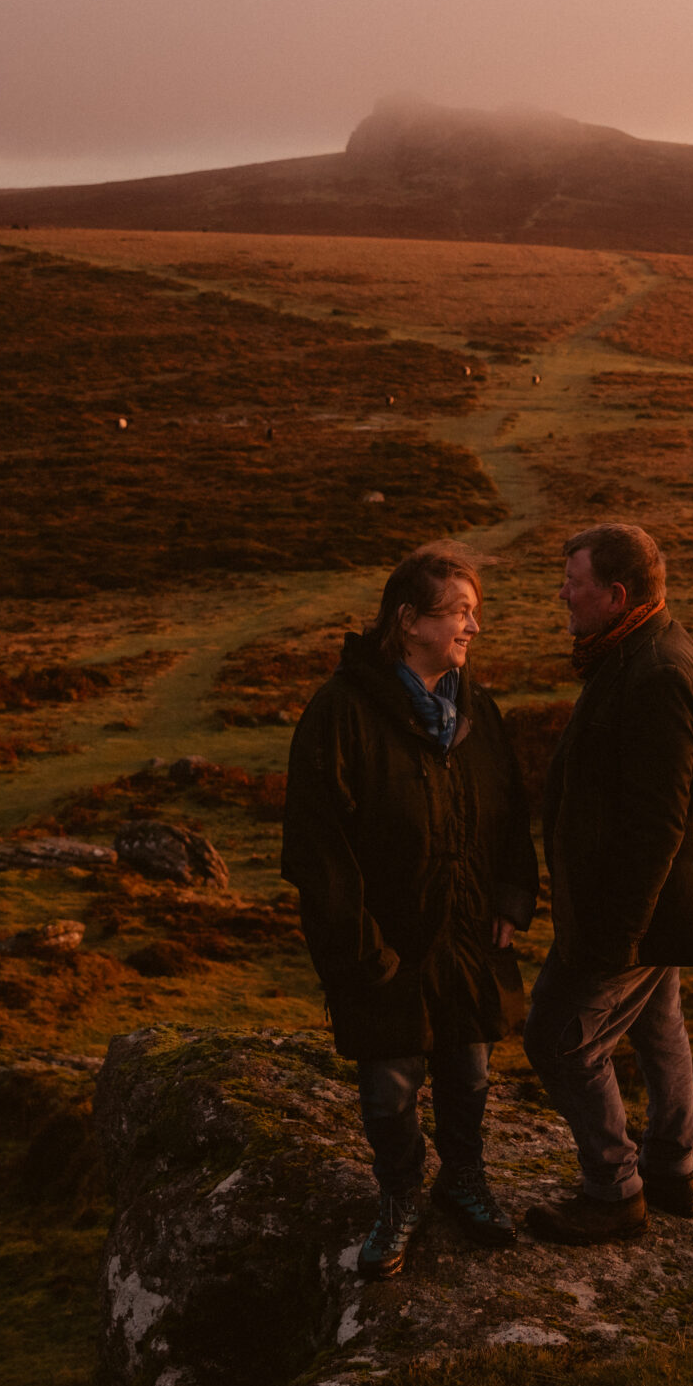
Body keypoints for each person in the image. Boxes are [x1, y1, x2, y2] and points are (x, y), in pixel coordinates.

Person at [283, 543, 539, 1278]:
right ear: (408, 621)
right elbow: (318, 849)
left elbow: (509, 811)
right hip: (386, 942)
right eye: (459, 612)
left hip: (467, 932)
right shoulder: (341, 712)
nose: (473, 628)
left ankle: (464, 1180)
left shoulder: (475, 709)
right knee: (389, 1088)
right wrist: (362, 949)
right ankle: (399, 1195)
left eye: (474, 612)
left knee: (469, 1071)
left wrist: (511, 898)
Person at [522, 523, 693, 1245]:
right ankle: (671, 1167)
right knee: (656, 1023)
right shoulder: (633, 651)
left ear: (616, 595)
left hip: (637, 909)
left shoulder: (658, 674)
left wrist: (616, 937)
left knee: (558, 1036)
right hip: (653, 908)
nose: (563, 594)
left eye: (573, 583)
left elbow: (655, 829)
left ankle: (614, 1189)